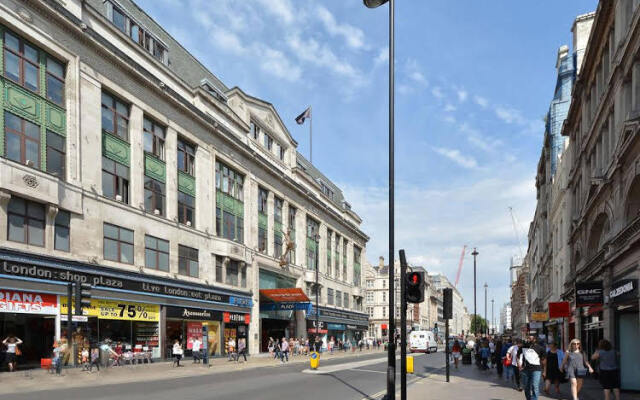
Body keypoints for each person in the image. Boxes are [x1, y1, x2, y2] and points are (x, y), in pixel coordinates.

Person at [517, 336, 546, 400]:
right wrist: (519, 365)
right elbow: (518, 356)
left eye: (530, 338)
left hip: (536, 370)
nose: (528, 339)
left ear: (534, 339)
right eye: (527, 338)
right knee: (526, 388)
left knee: (534, 386)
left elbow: (543, 360)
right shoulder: (523, 347)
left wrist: (544, 371)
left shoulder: (540, 348)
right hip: (525, 370)